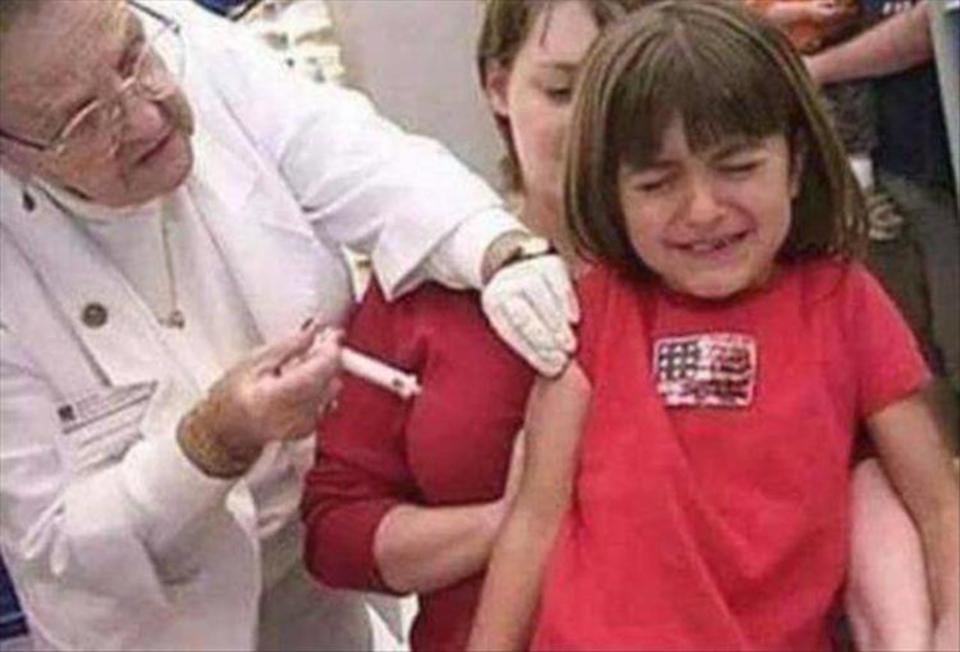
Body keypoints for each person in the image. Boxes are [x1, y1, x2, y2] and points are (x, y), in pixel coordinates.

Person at [0, 0, 581, 649]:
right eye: (85, 120)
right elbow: (55, 540)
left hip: (314, 583)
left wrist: (497, 248)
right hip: (149, 621)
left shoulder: (196, 45)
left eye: (133, 58)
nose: (145, 115)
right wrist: (212, 442)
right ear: (10, 152)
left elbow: (368, 164)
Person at [468, 2, 960, 650]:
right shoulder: (593, 313)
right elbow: (534, 521)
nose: (702, 209)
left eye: (737, 167)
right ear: (610, 192)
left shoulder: (845, 303)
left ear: (796, 165)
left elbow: (937, 502)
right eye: (656, 183)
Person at [299, 2, 642, 650]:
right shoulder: (425, 289)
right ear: (498, 86)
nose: (595, 122)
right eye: (562, 91)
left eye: (624, 89)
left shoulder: (702, 273)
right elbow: (337, 531)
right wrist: (517, 521)